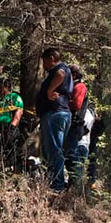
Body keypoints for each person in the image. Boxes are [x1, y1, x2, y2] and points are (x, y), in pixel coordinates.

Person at [35, 47, 73, 191]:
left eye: (45, 62)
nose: (44, 66)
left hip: (54, 113)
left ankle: (57, 185)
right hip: (57, 113)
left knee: (54, 150)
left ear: (51, 58)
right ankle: (53, 181)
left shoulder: (61, 69)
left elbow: (60, 73)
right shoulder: (61, 71)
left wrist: (50, 90)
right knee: (50, 150)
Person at [64, 65, 91, 188]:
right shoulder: (71, 87)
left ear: (73, 75)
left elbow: (76, 104)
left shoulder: (80, 86)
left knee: (72, 157)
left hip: (75, 126)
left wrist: (60, 101)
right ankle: (72, 187)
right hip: (70, 126)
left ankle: (76, 189)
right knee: (67, 157)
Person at [0, 77, 24, 170]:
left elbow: (18, 112)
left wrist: (12, 128)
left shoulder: (15, 97)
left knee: (12, 153)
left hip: (8, 128)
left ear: (4, 87)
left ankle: (16, 171)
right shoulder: (0, 101)